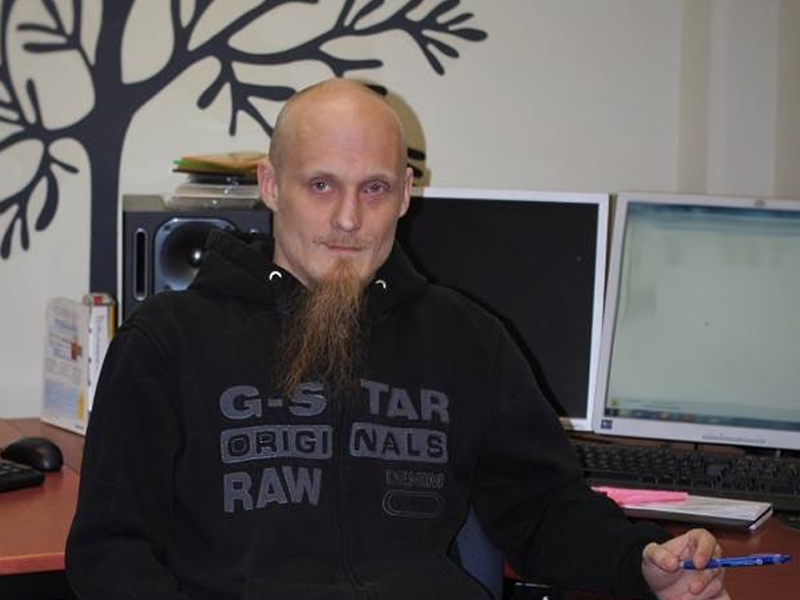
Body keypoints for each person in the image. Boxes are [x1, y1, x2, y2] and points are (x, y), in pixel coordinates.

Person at [66, 78, 729, 600]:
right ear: (271, 186)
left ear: (407, 194)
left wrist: (643, 561)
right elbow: (111, 553)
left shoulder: (467, 340)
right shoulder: (167, 342)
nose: (349, 218)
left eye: (374, 189)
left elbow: (544, 508)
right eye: (321, 184)